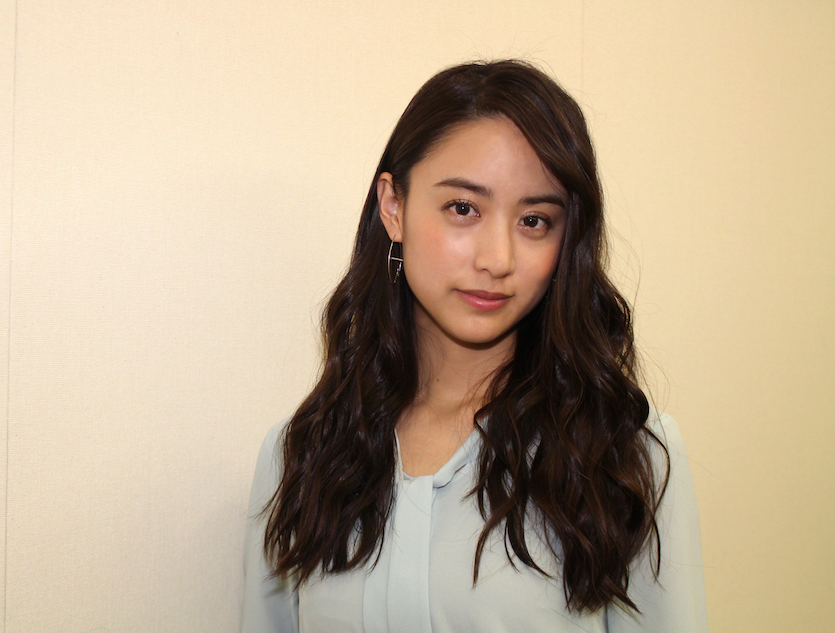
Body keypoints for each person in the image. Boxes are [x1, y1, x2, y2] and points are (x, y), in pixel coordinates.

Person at [241, 60, 707, 632]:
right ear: (393, 207)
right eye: (463, 208)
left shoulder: (625, 454)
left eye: (534, 221)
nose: (498, 259)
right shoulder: (301, 454)